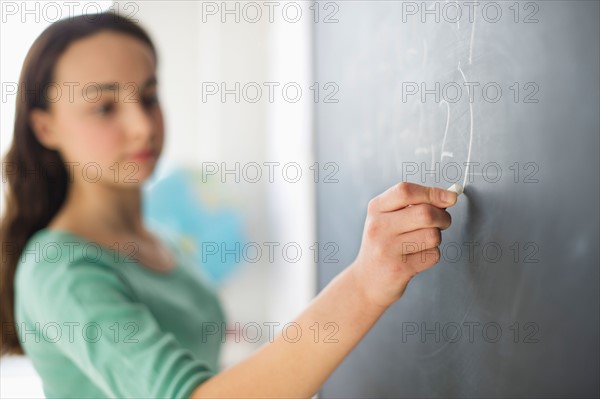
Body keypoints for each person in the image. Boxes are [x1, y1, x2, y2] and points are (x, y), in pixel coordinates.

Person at [0, 11, 457, 398]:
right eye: (104, 107)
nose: (142, 126)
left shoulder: (154, 239)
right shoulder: (58, 269)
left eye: (149, 96)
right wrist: (364, 284)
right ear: (45, 128)